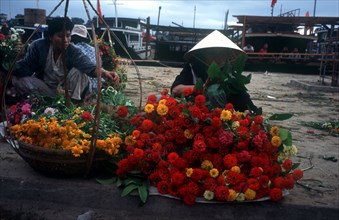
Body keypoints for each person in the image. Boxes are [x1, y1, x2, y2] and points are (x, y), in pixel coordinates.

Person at [12, 17, 119, 101]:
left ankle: (72, 105)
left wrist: (106, 73)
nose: (66, 40)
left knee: (79, 72)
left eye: (68, 36)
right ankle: (45, 102)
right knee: (22, 81)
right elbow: (27, 66)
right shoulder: (39, 46)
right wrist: (9, 70)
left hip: (66, 91)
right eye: (60, 36)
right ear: (50, 37)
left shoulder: (72, 50)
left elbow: (89, 66)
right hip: (45, 88)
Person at [171, 30, 258, 113]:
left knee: (215, 91)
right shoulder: (193, 67)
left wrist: (248, 110)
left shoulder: (229, 74)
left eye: (222, 53)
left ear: (227, 55)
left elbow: (243, 99)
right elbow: (175, 89)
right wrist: (202, 87)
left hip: (219, 119)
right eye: (213, 53)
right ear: (204, 54)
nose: (218, 57)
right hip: (194, 113)